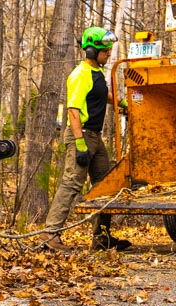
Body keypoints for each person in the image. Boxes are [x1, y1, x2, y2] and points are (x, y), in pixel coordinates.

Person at [42, 26, 130, 251]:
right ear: (91, 51)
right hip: (81, 135)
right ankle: (50, 235)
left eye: (109, 51)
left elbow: (99, 96)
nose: (108, 55)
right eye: (105, 52)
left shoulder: (96, 73)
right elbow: (73, 110)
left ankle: (101, 238)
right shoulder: (80, 75)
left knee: (104, 185)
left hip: (95, 137)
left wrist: (120, 102)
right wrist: (80, 144)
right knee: (71, 183)